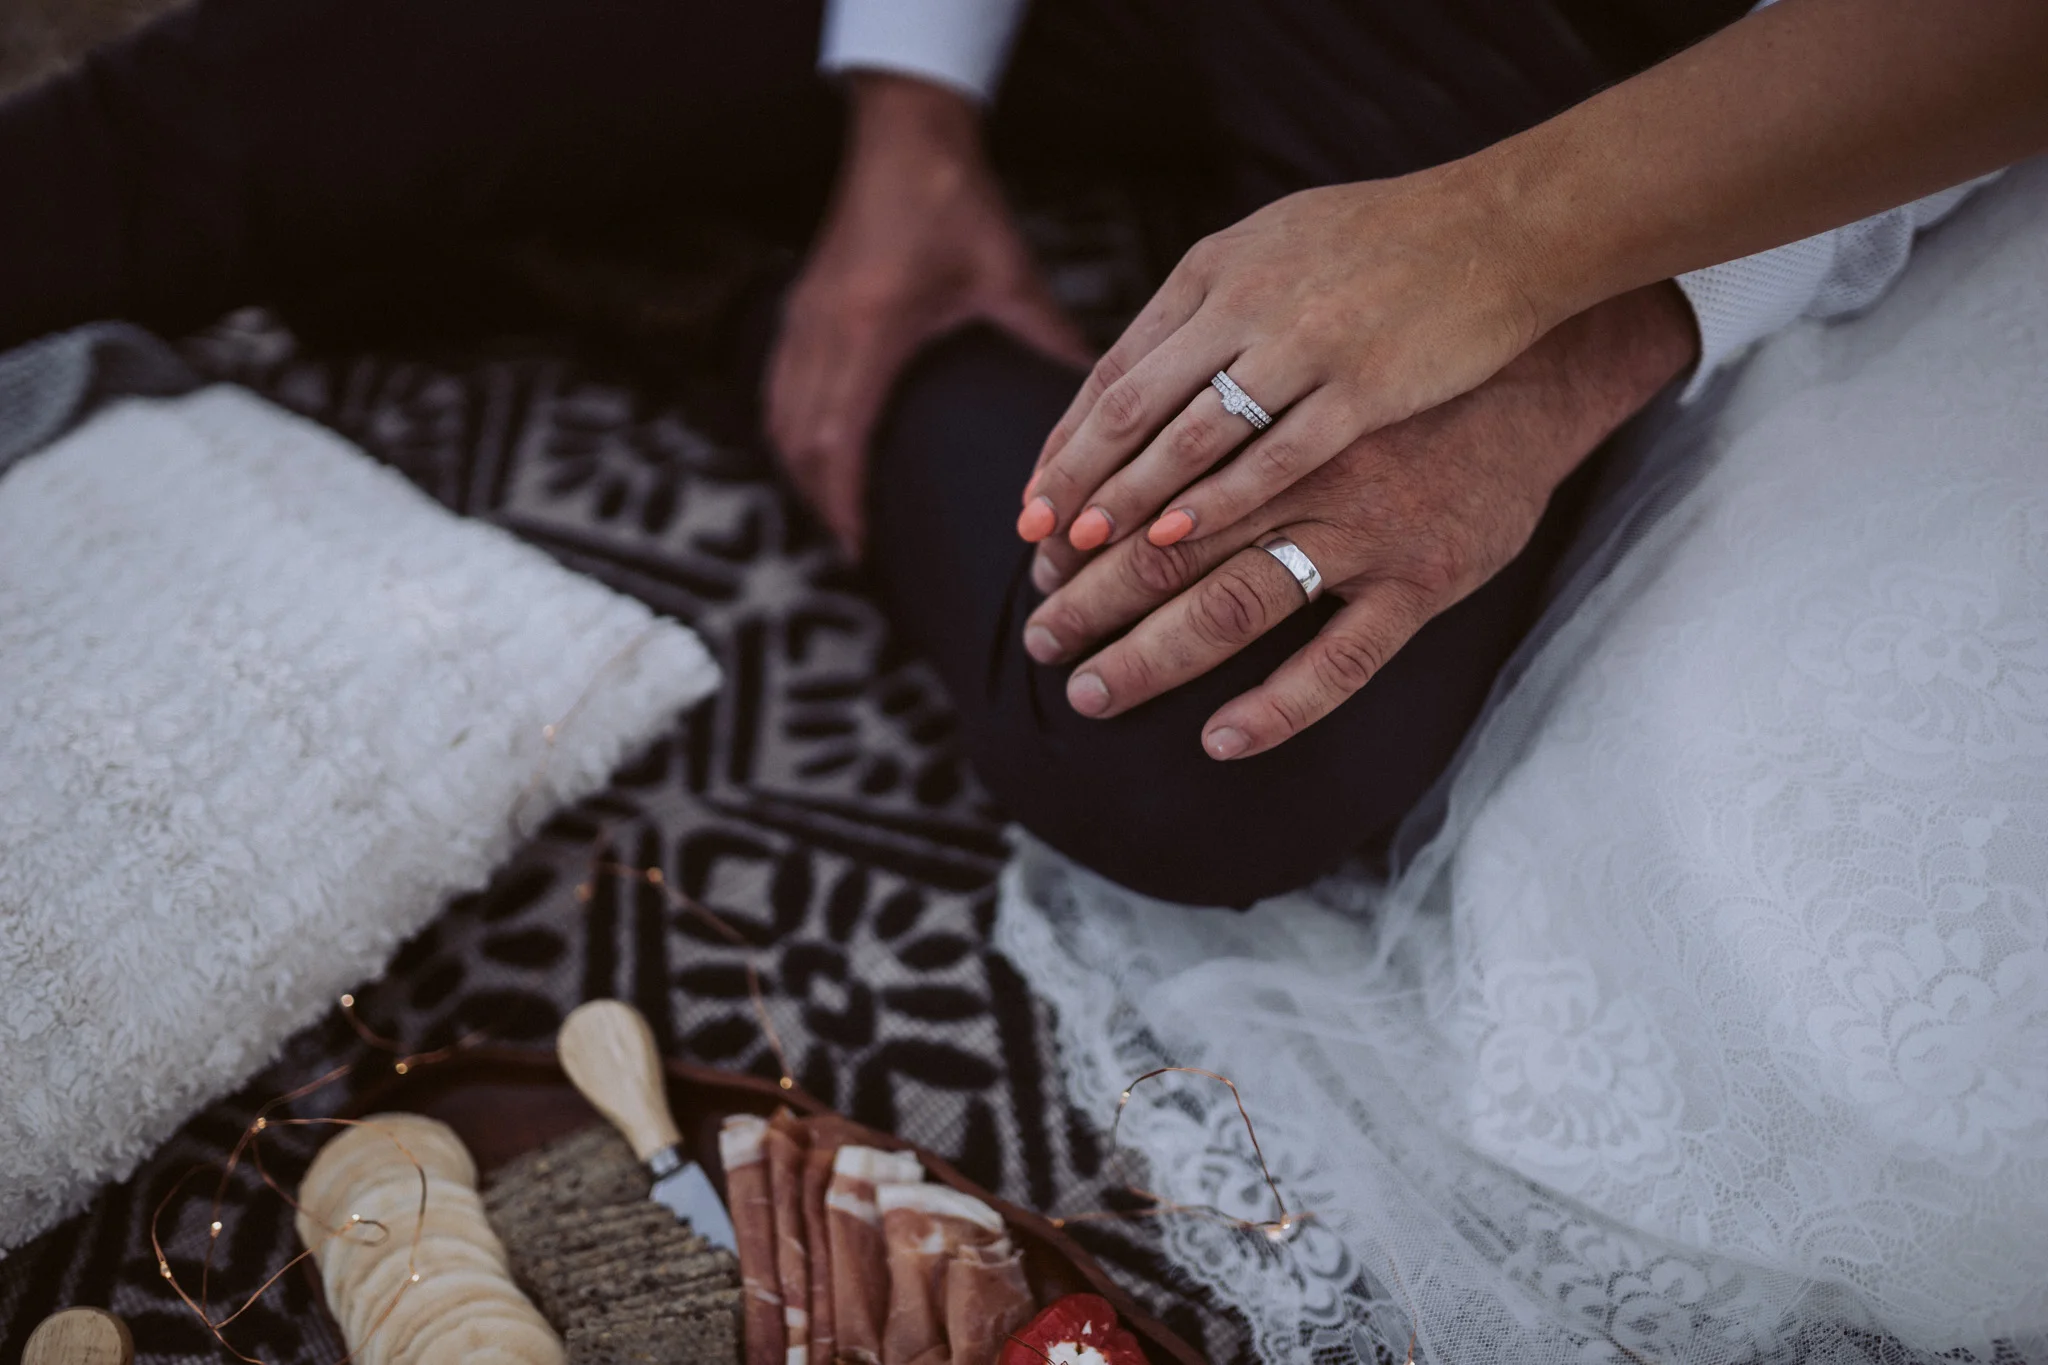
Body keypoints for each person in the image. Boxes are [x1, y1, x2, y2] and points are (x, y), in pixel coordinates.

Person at [1, 0, 2043, 906]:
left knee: (1190, 720)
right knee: (281, 93)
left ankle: (732, 306)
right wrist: (911, 116)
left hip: (1631, 110)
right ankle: (806, 215)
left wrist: (1578, 303)